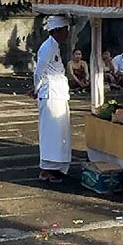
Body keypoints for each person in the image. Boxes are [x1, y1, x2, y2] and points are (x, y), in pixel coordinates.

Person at [34, 15, 72, 183]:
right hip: (50, 95)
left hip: (59, 94)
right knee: (50, 133)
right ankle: (46, 169)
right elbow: (39, 71)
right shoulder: (48, 47)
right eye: (65, 30)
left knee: (60, 133)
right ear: (57, 31)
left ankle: (57, 167)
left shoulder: (55, 46)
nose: (67, 34)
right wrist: (35, 89)